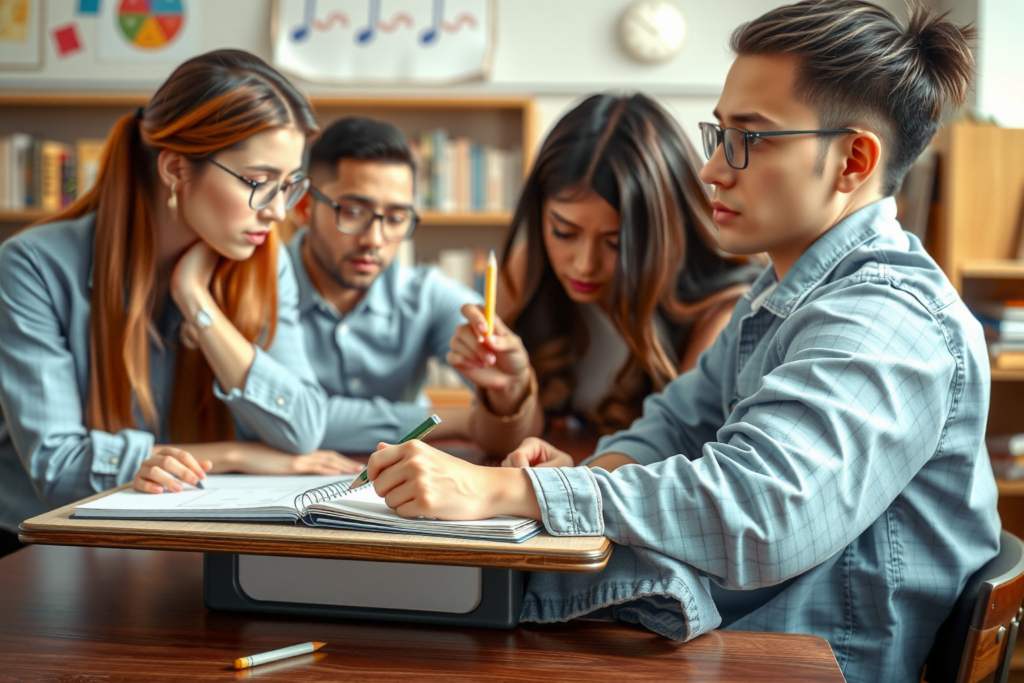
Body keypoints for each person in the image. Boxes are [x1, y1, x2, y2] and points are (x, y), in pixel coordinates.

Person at [354, 3, 1000, 681]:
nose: (715, 170)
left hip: (820, 659)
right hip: (748, 635)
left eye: (749, 140)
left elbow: (760, 513)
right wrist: (578, 476)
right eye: (717, 135)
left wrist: (511, 491)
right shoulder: (781, 296)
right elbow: (675, 421)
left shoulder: (884, 319)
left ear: (853, 160)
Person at [0, 49, 352, 556]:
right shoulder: (34, 264)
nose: (278, 211)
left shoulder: (262, 260)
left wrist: (195, 299)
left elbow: (300, 429)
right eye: (258, 183)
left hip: (185, 537)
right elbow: (57, 468)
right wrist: (235, 454)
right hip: (49, 550)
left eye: (288, 185)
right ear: (175, 169)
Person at [448, 93, 762, 454]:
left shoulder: (723, 310)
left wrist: (572, 483)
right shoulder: (528, 269)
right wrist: (510, 389)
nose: (584, 264)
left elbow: (682, 449)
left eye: (616, 242)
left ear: (665, 233)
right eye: (564, 232)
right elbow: (500, 444)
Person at [288, 118, 481, 454]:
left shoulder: (427, 296)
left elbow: (506, 407)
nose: (374, 240)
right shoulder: (257, 292)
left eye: (395, 218)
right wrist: (455, 419)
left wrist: (512, 388)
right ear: (304, 207)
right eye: (352, 212)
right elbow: (286, 417)